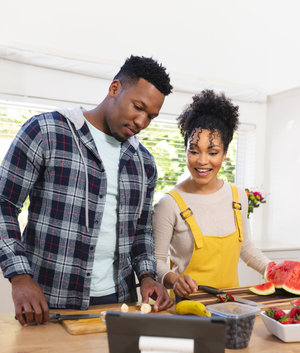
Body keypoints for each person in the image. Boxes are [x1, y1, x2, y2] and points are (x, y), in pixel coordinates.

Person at [0, 55, 174, 326]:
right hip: (49, 301)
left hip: (121, 302)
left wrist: (148, 276)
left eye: (151, 116)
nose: (142, 122)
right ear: (114, 88)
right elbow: (4, 204)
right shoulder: (47, 131)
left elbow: (142, 230)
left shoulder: (144, 162)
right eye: (138, 107)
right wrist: (19, 276)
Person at [152, 89, 271, 299]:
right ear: (185, 150)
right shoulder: (169, 204)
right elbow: (156, 261)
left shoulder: (238, 197)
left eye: (213, 152)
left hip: (232, 305)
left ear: (225, 153)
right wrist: (174, 280)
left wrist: (274, 269)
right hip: (187, 308)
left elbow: (246, 248)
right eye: (194, 150)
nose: (202, 161)